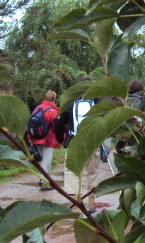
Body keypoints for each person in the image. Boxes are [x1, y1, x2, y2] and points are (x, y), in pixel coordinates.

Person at [58, 78, 101, 211]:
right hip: (92, 142)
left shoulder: (70, 102)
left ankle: (77, 206)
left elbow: (59, 122)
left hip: (73, 141)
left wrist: (60, 139)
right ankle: (91, 204)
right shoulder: (97, 101)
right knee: (92, 172)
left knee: (72, 173)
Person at [28, 90, 60, 190]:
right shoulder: (52, 111)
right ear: (54, 99)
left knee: (45, 161)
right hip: (48, 140)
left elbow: (30, 123)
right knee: (46, 162)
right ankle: (43, 181)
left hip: (37, 138)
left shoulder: (38, 108)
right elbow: (57, 125)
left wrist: (30, 138)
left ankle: (46, 181)